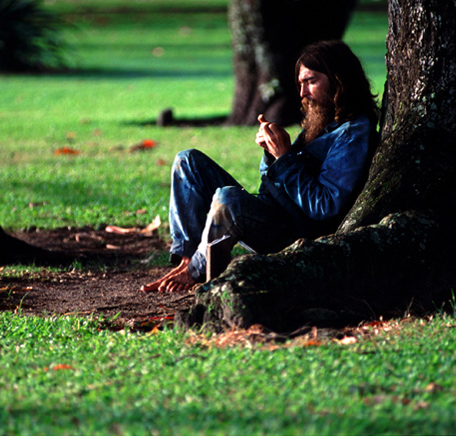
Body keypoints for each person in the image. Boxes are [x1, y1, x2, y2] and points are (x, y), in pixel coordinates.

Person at [141, 40, 379, 293]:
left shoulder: (353, 133)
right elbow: (269, 186)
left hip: (297, 235)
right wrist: (271, 154)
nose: (302, 93)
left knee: (228, 199)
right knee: (187, 161)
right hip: (274, 215)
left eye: (311, 81)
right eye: (300, 83)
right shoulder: (322, 124)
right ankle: (188, 258)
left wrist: (285, 157)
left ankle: (198, 271)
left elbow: (325, 206)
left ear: (338, 80)